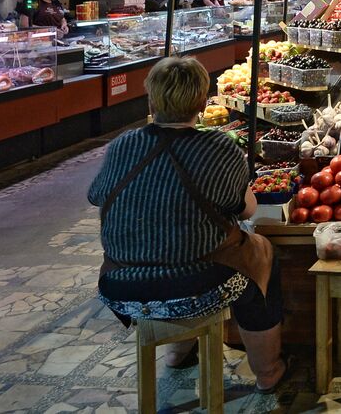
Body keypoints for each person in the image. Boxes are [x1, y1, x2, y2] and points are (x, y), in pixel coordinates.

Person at [87, 57, 288, 392]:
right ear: (201, 103)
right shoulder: (220, 147)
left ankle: (177, 353)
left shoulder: (123, 145)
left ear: (151, 100)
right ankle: (268, 372)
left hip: (121, 288)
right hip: (196, 287)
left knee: (172, 249)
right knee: (261, 256)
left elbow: (96, 196)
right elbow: (247, 210)